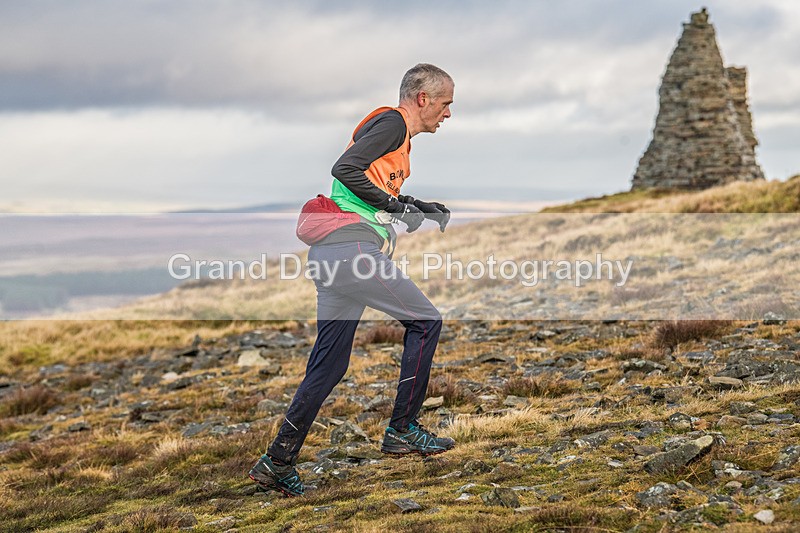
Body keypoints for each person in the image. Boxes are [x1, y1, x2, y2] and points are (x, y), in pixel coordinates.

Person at [249, 63, 456, 497]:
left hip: (331, 257)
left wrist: (418, 204)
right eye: (445, 104)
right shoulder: (392, 124)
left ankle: (277, 461)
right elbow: (345, 169)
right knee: (426, 321)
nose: (448, 114)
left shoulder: (395, 139)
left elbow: (366, 184)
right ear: (422, 99)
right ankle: (402, 429)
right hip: (352, 253)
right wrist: (397, 210)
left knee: (329, 364)